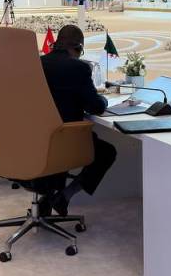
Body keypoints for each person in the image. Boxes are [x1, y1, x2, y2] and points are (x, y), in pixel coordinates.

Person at [38, 25, 118, 215]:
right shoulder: (78, 68)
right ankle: (65, 195)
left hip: (35, 139)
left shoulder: (36, 64)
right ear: (79, 47)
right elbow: (95, 107)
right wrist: (104, 99)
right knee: (107, 152)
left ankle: (48, 197)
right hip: (65, 141)